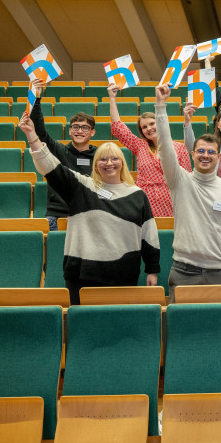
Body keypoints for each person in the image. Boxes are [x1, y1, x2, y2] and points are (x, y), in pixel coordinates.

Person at [19, 113, 160, 305]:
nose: (109, 163)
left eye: (114, 158)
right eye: (103, 159)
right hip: (82, 275)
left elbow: (149, 234)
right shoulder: (81, 186)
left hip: (124, 275)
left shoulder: (137, 194)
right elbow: (49, 166)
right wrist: (32, 136)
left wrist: (152, 269)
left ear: (122, 163)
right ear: (96, 164)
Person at [155, 85, 221, 303]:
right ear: (193, 154)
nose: (206, 156)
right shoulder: (179, 180)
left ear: (218, 156)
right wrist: (160, 106)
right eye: (201, 151)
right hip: (184, 272)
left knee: (218, 333)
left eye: (211, 152)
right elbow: (165, 145)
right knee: (180, 332)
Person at [108, 84, 192, 216]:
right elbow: (119, 128)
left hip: (172, 201)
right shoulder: (140, 146)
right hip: (143, 201)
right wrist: (112, 98)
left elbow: (187, 179)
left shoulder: (179, 148)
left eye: (152, 123)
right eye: (144, 127)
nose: (149, 128)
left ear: (160, 121)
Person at [28, 79, 98, 231]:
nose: (80, 131)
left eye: (85, 127)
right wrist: (36, 98)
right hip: (57, 216)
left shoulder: (101, 156)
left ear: (92, 132)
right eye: (75, 127)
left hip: (91, 215)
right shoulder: (57, 150)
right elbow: (38, 131)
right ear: (70, 131)